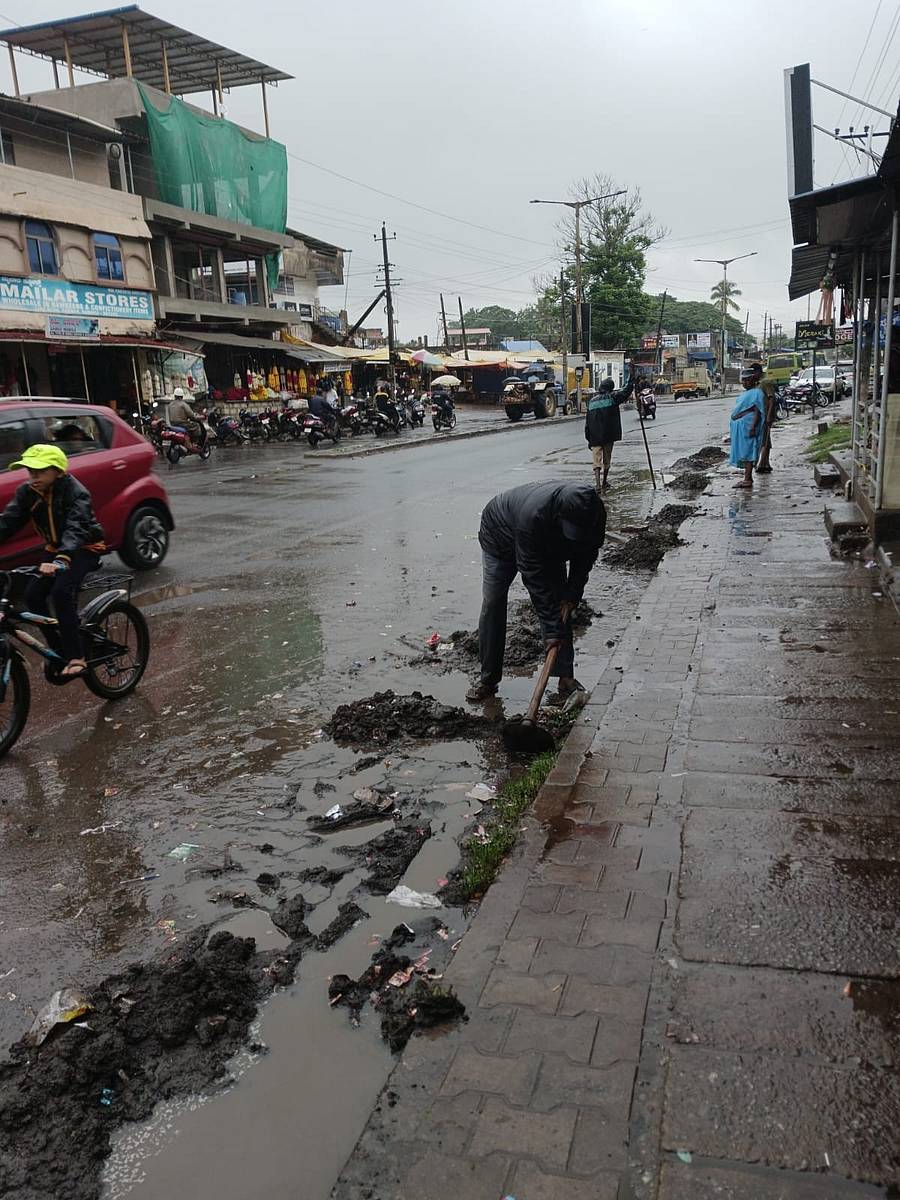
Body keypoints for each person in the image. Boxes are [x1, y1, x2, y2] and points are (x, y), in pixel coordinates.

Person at [466, 480, 606, 704]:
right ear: (559, 515)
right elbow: (533, 577)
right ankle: (488, 680)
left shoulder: (594, 514)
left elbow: (586, 555)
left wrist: (573, 594)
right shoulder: (534, 516)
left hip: (548, 545)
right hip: (500, 538)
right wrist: (551, 629)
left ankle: (565, 678)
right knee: (493, 603)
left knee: (562, 603)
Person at [0, 444, 106, 678]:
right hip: (54, 549)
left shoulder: (75, 491)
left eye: (39, 471)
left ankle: (76, 656)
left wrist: (62, 558)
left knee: (60, 592)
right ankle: (58, 649)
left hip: (84, 547)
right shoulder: (27, 493)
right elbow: (8, 522)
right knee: (32, 595)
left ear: (58, 471)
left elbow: (75, 527)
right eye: (30, 471)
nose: (33, 477)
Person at [584, 369, 635, 493]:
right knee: (607, 460)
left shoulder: (592, 402)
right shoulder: (613, 397)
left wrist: (589, 439)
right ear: (610, 389)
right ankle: (604, 482)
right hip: (608, 435)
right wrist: (631, 377)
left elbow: (587, 423)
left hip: (595, 437)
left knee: (596, 461)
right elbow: (626, 391)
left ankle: (597, 484)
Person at [729, 365, 766, 489]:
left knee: (748, 452)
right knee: (743, 452)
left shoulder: (756, 393)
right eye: (743, 380)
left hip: (748, 426)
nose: (745, 382)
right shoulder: (746, 393)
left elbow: (757, 411)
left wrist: (753, 427)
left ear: (753, 380)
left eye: (747, 380)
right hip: (740, 426)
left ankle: (748, 479)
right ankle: (747, 478)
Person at [751, 361, 777, 473]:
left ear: (757, 372)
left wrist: (769, 415)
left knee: (765, 439)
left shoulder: (766, 382)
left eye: (752, 373)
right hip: (760, 415)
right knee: (764, 439)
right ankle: (765, 463)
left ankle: (763, 463)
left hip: (766, 414)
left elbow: (771, 399)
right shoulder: (757, 383)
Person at [167, 387, 201, 452]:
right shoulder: (183, 404)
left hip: (172, 424)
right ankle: (195, 443)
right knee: (196, 426)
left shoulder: (170, 404)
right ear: (182, 396)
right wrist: (195, 417)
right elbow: (191, 415)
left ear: (175, 396)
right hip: (182, 424)